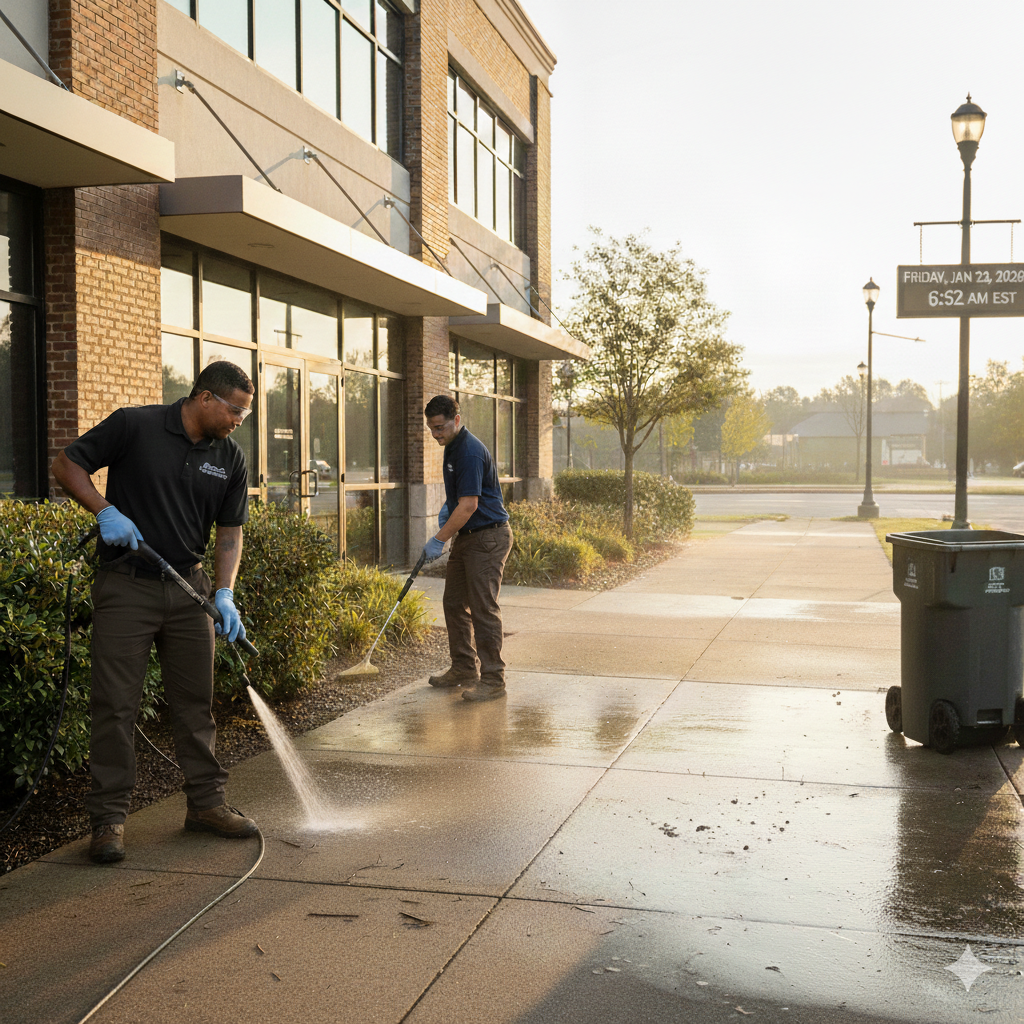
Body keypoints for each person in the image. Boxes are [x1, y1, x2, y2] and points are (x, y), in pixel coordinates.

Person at [51, 361, 259, 864]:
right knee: (115, 705)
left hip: (190, 586)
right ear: (205, 398)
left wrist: (225, 594)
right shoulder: (135, 425)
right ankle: (108, 820)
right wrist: (104, 510)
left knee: (195, 703)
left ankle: (206, 806)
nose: (238, 420)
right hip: (128, 585)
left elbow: (229, 532)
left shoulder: (229, 457)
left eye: (245, 414)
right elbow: (66, 464)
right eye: (234, 410)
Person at [422, 395, 513, 701]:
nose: (436, 433)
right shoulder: (452, 448)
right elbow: (460, 500)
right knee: (454, 602)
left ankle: (494, 679)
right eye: (431, 428)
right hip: (469, 536)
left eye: (439, 427)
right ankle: (463, 668)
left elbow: (470, 505)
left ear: (456, 420)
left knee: (483, 608)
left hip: (488, 538)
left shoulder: (469, 452)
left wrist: (439, 538)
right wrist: (450, 515)